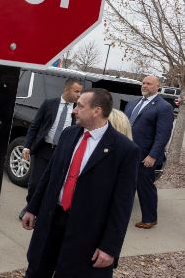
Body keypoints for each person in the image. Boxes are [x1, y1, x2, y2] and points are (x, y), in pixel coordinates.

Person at [22, 88, 140, 278]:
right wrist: (33, 208)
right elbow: (49, 175)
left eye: (80, 106)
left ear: (97, 111)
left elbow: (122, 205)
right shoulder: (69, 134)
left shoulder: (124, 150)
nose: (74, 110)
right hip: (51, 221)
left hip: (85, 233)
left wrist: (110, 247)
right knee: (36, 271)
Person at [19, 78, 83, 219]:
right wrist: (26, 146)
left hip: (62, 153)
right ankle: (30, 207)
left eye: (80, 92)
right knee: (35, 183)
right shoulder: (49, 104)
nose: (79, 95)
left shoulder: (78, 110)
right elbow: (35, 126)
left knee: (53, 184)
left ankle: (44, 211)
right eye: (76, 91)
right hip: (44, 149)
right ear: (66, 90)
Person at [124, 75, 174, 229]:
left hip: (145, 157)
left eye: (149, 83)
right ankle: (122, 214)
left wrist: (152, 155)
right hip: (128, 154)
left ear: (157, 86)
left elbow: (163, 135)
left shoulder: (164, 107)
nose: (144, 86)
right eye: (143, 83)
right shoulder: (132, 104)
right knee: (125, 186)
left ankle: (149, 219)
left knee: (145, 188)